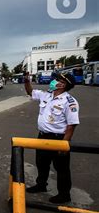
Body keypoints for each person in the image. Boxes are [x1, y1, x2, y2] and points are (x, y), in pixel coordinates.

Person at [24, 72, 79, 204]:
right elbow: (30, 92)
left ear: (63, 84)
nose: (53, 81)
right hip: (42, 136)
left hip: (59, 138)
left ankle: (64, 194)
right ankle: (41, 185)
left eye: (57, 79)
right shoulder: (47, 95)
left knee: (62, 168)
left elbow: (71, 125)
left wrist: (64, 144)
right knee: (41, 163)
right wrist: (26, 81)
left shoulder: (70, 102)